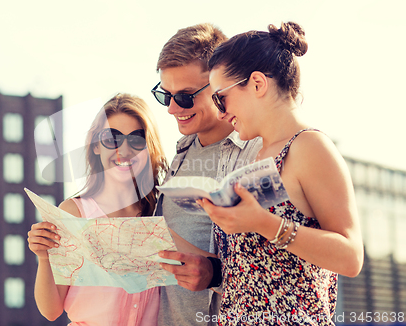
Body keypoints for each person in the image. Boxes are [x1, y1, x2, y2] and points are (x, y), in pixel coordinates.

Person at [198, 21, 364, 325]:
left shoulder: (310, 147)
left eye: (220, 97)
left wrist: (263, 223)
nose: (220, 112)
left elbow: (350, 257)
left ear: (258, 84)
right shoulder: (258, 156)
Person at [152, 24, 262, 326]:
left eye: (186, 97)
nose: (173, 109)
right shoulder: (182, 150)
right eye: (166, 95)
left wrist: (216, 273)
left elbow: (277, 266)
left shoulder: (257, 154)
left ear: (218, 85)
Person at [27, 93, 168, 325]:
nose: (124, 150)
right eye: (111, 138)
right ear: (95, 146)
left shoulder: (161, 213)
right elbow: (51, 310)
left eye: (136, 139)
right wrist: (43, 257)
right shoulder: (74, 213)